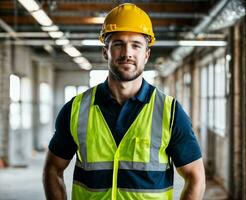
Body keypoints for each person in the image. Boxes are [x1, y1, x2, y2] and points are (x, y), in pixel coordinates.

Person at [43, 3, 205, 200]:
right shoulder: (76, 109)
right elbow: (52, 169)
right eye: (118, 44)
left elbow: (195, 176)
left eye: (136, 45)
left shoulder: (170, 112)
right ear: (106, 52)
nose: (127, 53)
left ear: (146, 55)